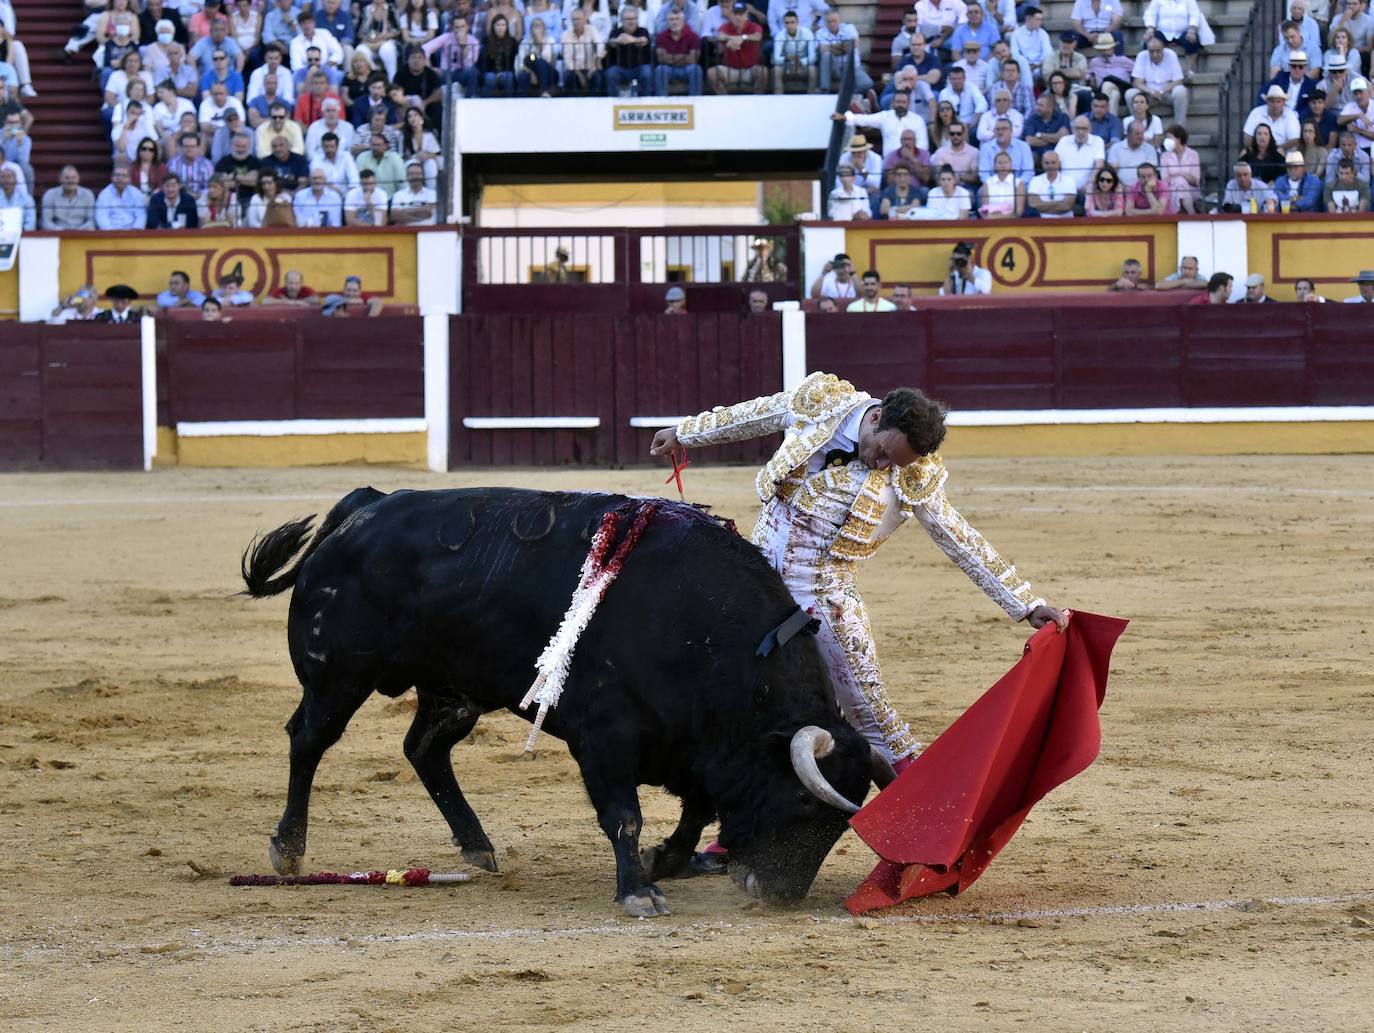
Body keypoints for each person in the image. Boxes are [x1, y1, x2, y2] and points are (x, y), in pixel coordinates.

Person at [647, 373, 1066, 838]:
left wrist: (1026, 604)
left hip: (825, 600)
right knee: (740, 713)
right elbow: (755, 414)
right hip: (754, 590)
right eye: (882, 451)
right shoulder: (823, 404)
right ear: (877, 416)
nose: (882, 465)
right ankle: (739, 840)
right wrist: (686, 432)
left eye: (894, 461)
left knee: (871, 716)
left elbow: (959, 538)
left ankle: (937, 829)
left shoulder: (912, 475)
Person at [1127, 35, 1188, 127]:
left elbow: (1178, 80)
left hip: (1167, 93)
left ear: (1163, 49)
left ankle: (1180, 129)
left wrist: (1161, 92)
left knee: (1181, 91)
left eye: (1158, 51)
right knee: (1130, 93)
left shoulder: (1171, 55)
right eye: (1151, 52)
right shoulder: (1142, 56)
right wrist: (1151, 92)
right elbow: (1137, 82)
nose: (1155, 54)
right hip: (1148, 95)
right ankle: (1137, 126)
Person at [709, 3, 765, 95]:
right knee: (712, 73)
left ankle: (756, 102)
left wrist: (742, 38)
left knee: (763, 72)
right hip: (730, 70)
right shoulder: (725, 26)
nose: (738, 17)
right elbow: (720, 36)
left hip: (750, 70)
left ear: (746, 15)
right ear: (731, 15)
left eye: (741, 14)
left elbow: (757, 36)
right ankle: (725, 101)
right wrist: (733, 39)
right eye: (735, 14)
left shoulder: (754, 26)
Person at [606, 5, 652, 96]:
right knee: (611, 73)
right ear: (622, 21)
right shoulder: (615, 32)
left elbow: (644, 40)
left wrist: (631, 39)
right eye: (628, 19)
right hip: (620, 68)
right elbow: (611, 42)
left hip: (639, 67)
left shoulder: (643, 30)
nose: (631, 22)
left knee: (647, 73)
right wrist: (619, 40)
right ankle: (611, 101)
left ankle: (647, 101)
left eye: (633, 18)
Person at [772, 10, 817, 94]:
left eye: (792, 22)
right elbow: (775, 58)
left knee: (812, 70)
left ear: (797, 22)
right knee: (777, 69)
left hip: (803, 65)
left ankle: (811, 96)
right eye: (787, 23)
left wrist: (800, 61)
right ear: (784, 24)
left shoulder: (807, 33)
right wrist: (786, 59)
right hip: (787, 65)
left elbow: (813, 56)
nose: (790, 25)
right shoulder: (780, 35)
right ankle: (778, 98)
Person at [41, 166, 97, 231]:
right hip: (57, 235)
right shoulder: (50, 195)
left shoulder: (88, 195)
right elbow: (46, 222)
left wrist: (78, 232)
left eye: (74, 177)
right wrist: (63, 232)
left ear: (78, 179)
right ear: (60, 179)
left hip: (82, 235)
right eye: (67, 178)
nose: (70, 181)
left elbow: (92, 221)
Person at [1027, 150, 1076, 218]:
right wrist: (1058, 203)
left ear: (1059, 163)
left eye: (1053, 162)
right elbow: (1034, 204)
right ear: (1042, 164)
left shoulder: (1069, 180)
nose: (1050, 166)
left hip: (1065, 221)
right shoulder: (1035, 180)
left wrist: (1043, 207)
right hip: (1041, 222)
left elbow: (1067, 205)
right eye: (1047, 163)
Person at [979, 149, 1024, 217]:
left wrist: (999, 217)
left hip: (1012, 222)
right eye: (999, 163)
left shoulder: (1018, 183)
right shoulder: (987, 183)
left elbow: (1019, 211)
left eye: (1006, 162)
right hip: (991, 222)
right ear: (994, 166)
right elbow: (985, 211)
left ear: (1010, 165)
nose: (1003, 165)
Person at [390, 161, 437, 225]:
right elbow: (395, 215)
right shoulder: (398, 195)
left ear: (423, 176)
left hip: (428, 232)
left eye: (418, 174)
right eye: (411, 174)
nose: (415, 176)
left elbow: (428, 213)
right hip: (406, 233)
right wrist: (421, 211)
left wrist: (404, 212)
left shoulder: (432, 194)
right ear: (406, 176)